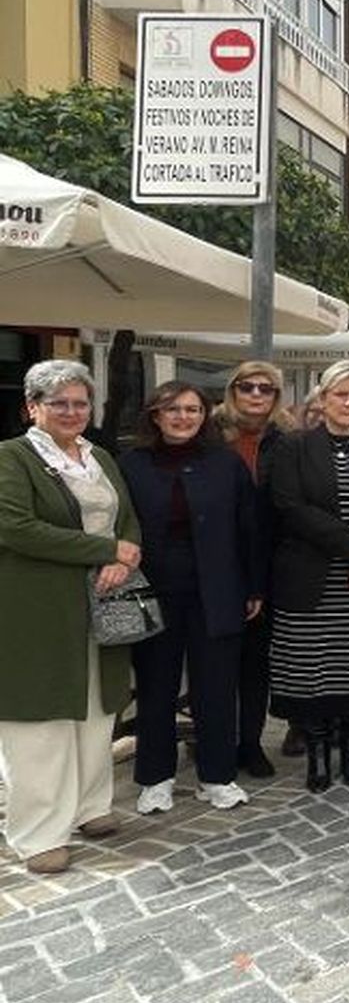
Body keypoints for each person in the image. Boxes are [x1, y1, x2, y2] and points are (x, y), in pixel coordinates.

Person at [0, 361, 142, 874]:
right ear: (32, 407)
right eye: (57, 402)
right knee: (38, 720)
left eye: (80, 402)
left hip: (103, 603)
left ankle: (90, 805)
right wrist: (105, 549)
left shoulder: (98, 455)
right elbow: (15, 527)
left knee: (95, 708)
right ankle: (38, 832)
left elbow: (127, 517)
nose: (71, 412)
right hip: (37, 607)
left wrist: (125, 554)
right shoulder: (11, 457)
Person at [120, 381, 259, 814]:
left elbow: (249, 527)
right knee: (156, 687)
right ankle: (155, 778)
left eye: (193, 410)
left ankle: (216, 777)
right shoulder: (131, 465)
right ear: (155, 416)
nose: (184, 417)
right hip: (153, 590)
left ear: (205, 416)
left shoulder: (225, 463)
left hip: (216, 589)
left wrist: (254, 586)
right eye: (174, 409)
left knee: (215, 687)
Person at [268, 361, 349, 794]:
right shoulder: (293, 447)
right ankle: (319, 753)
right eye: (339, 394)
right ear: (322, 399)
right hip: (309, 581)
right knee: (311, 673)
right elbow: (290, 508)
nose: (348, 403)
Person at [214, 360, 297, 778]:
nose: (257, 395)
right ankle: (217, 743)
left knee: (256, 663)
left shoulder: (286, 438)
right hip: (214, 562)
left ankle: (250, 742)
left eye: (267, 389)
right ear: (234, 390)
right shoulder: (209, 432)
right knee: (216, 664)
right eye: (248, 387)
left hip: (266, 563)